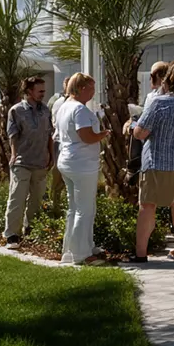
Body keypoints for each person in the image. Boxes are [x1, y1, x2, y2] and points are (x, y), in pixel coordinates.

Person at [132, 60, 174, 262]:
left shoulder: (159, 103)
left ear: (168, 80)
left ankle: (141, 254)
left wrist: (132, 125)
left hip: (157, 162)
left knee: (147, 206)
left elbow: (140, 133)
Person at [53, 73, 108, 266]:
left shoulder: (64, 106)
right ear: (81, 88)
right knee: (85, 209)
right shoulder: (79, 110)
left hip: (68, 161)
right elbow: (86, 136)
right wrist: (103, 134)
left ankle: (74, 248)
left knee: (75, 208)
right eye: (91, 88)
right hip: (82, 164)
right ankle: (81, 254)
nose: (93, 92)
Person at [2, 76, 53, 250]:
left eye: (44, 91)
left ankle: (31, 230)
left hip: (40, 162)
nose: (43, 94)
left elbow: (49, 135)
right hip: (22, 162)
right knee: (17, 198)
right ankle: (11, 235)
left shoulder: (46, 110)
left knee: (37, 200)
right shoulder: (16, 111)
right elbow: (12, 135)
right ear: (29, 91)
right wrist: (14, 155)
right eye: (40, 91)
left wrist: (50, 155)